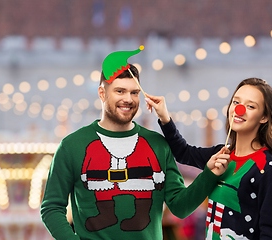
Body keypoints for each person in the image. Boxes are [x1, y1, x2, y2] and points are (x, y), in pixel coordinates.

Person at [40, 51, 230, 239]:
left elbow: (180, 207)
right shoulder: (72, 146)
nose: (128, 99)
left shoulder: (157, 145)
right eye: (120, 91)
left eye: (134, 92)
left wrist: (209, 174)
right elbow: (51, 208)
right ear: (102, 93)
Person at [145, 78, 272, 240]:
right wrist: (165, 117)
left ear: (264, 117)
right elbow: (183, 153)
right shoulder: (220, 154)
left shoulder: (269, 167)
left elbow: (270, 232)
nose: (239, 110)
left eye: (251, 106)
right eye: (236, 102)